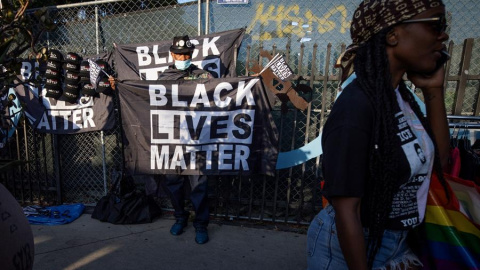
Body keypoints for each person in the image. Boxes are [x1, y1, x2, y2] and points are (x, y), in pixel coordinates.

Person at [307, 0, 451, 269]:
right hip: (350, 248)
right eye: (435, 25)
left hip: (399, 242)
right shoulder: (356, 107)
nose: (443, 35)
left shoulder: (398, 98)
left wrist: (434, 91)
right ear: (393, 35)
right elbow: (347, 209)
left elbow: (440, 163)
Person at [157, 35, 212, 245]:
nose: (183, 57)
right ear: (172, 54)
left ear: (192, 55)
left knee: (199, 184)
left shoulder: (204, 75)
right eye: (179, 54)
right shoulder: (163, 77)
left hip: (197, 138)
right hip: (171, 139)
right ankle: (180, 217)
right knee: (173, 182)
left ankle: (201, 224)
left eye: (187, 54)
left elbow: (219, 97)